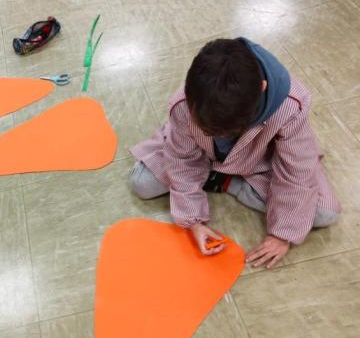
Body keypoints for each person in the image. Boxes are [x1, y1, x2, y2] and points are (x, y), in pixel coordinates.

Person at [129, 38, 340, 269]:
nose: (219, 134)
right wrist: (193, 222)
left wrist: (282, 235)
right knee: (142, 184)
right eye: (206, 128)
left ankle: (225, 180)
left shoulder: (291, 105)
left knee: (323, 213)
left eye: (228, 130)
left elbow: (296, 171)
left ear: (262, 88)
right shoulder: (185, 103)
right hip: (201, 153)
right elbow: (182, 159)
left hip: (258, 160)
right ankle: (215, 173)